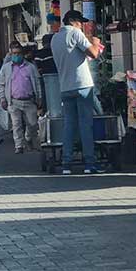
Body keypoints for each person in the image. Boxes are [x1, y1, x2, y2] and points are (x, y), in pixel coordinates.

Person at [51, 10, 105, 175]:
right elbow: (94, 53)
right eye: (80, 22)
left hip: (65, 87)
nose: (82, 25)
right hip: (82, 85)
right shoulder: (75, 33)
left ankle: (66, 164)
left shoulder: (55, 38)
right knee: (85, 125)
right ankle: (89, 163)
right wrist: (95, 42)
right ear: (73, 21)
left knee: (69, 126)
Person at [0, 41, 43, 154]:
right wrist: (3, 98)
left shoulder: (31, 67)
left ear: (22, 54)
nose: (16, 56)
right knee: (16, 124)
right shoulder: (6, 68)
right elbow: (1, 84)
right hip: (13, 101)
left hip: (29, 100)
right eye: (14, 53)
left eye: (18, 53)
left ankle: (28, 138)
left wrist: (39, 97)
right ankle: (19, 146)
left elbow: (37, 83)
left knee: (32, 124)